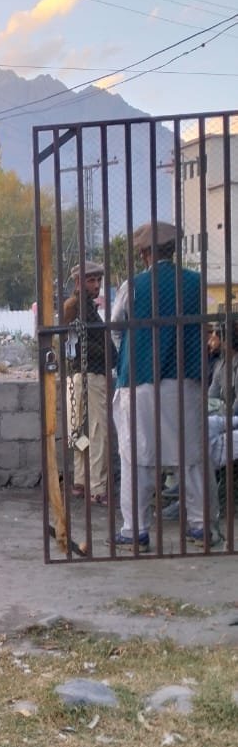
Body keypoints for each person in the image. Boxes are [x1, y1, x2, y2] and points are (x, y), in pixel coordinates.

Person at [111, 220, 210, 549]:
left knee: (137, 457)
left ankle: (135, 530)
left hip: (140, 381)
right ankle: (201, 525)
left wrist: (130, 353)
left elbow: (115, 327)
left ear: (143, 254)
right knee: (192, 455)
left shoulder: (134, 286)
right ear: (174, 250)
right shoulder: (196, 283)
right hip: (186, 381)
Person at [62, 261, 109, 503]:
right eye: (91, 280)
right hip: (91, 375)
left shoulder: (75, 307)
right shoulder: (82, 308)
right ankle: (97, 488)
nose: (97, 285)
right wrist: (108, 351)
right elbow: (84, 345)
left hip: (76, 376)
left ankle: (81, 480)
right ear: (79, 282)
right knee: (97, 430)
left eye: (98, 280)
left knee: (78, 431)